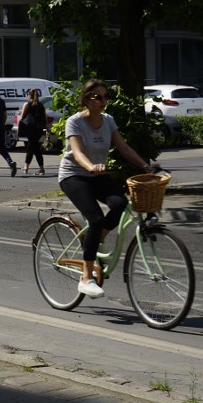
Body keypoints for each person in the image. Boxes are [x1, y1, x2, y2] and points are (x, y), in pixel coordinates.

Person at [58, 79, 158, 299]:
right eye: (98, 97)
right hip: (74, 175)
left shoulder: (108, 121)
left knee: (120, 203)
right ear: (86, 100)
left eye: (106, 96)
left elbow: (123, 147)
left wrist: (145, 165)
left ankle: (96, 237)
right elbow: (77, 152)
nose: (104, 101)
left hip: (98, 174)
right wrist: (90, 166)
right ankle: (86, 278)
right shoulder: (74, 122)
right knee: (94, 218)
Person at [19, 88, 47, 176]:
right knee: (35, 147)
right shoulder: (41, 105)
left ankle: (27, 167)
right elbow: (45, 118)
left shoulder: (27, 104)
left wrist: (20, 127)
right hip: (39, 129)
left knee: (32, 147)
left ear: (29, 95)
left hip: (30, 129)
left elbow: (22, 117)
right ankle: (40, 168)